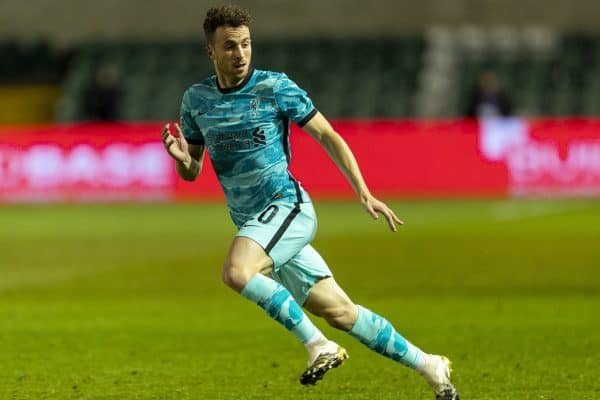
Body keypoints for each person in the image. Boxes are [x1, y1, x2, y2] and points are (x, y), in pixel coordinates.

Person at [160, 5, 459, 400]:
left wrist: (363, 192)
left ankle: (318, 346)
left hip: (288, 207)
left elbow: (329, 135)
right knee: (340, 312)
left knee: (237, 271)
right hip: (257, 225)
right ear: (210, 52)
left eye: (246, 44)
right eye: (229, 46)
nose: (240, 53)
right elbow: (194, 168)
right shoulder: (197, 99)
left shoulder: (274, 87)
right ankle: (430, 365)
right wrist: (183, 161)